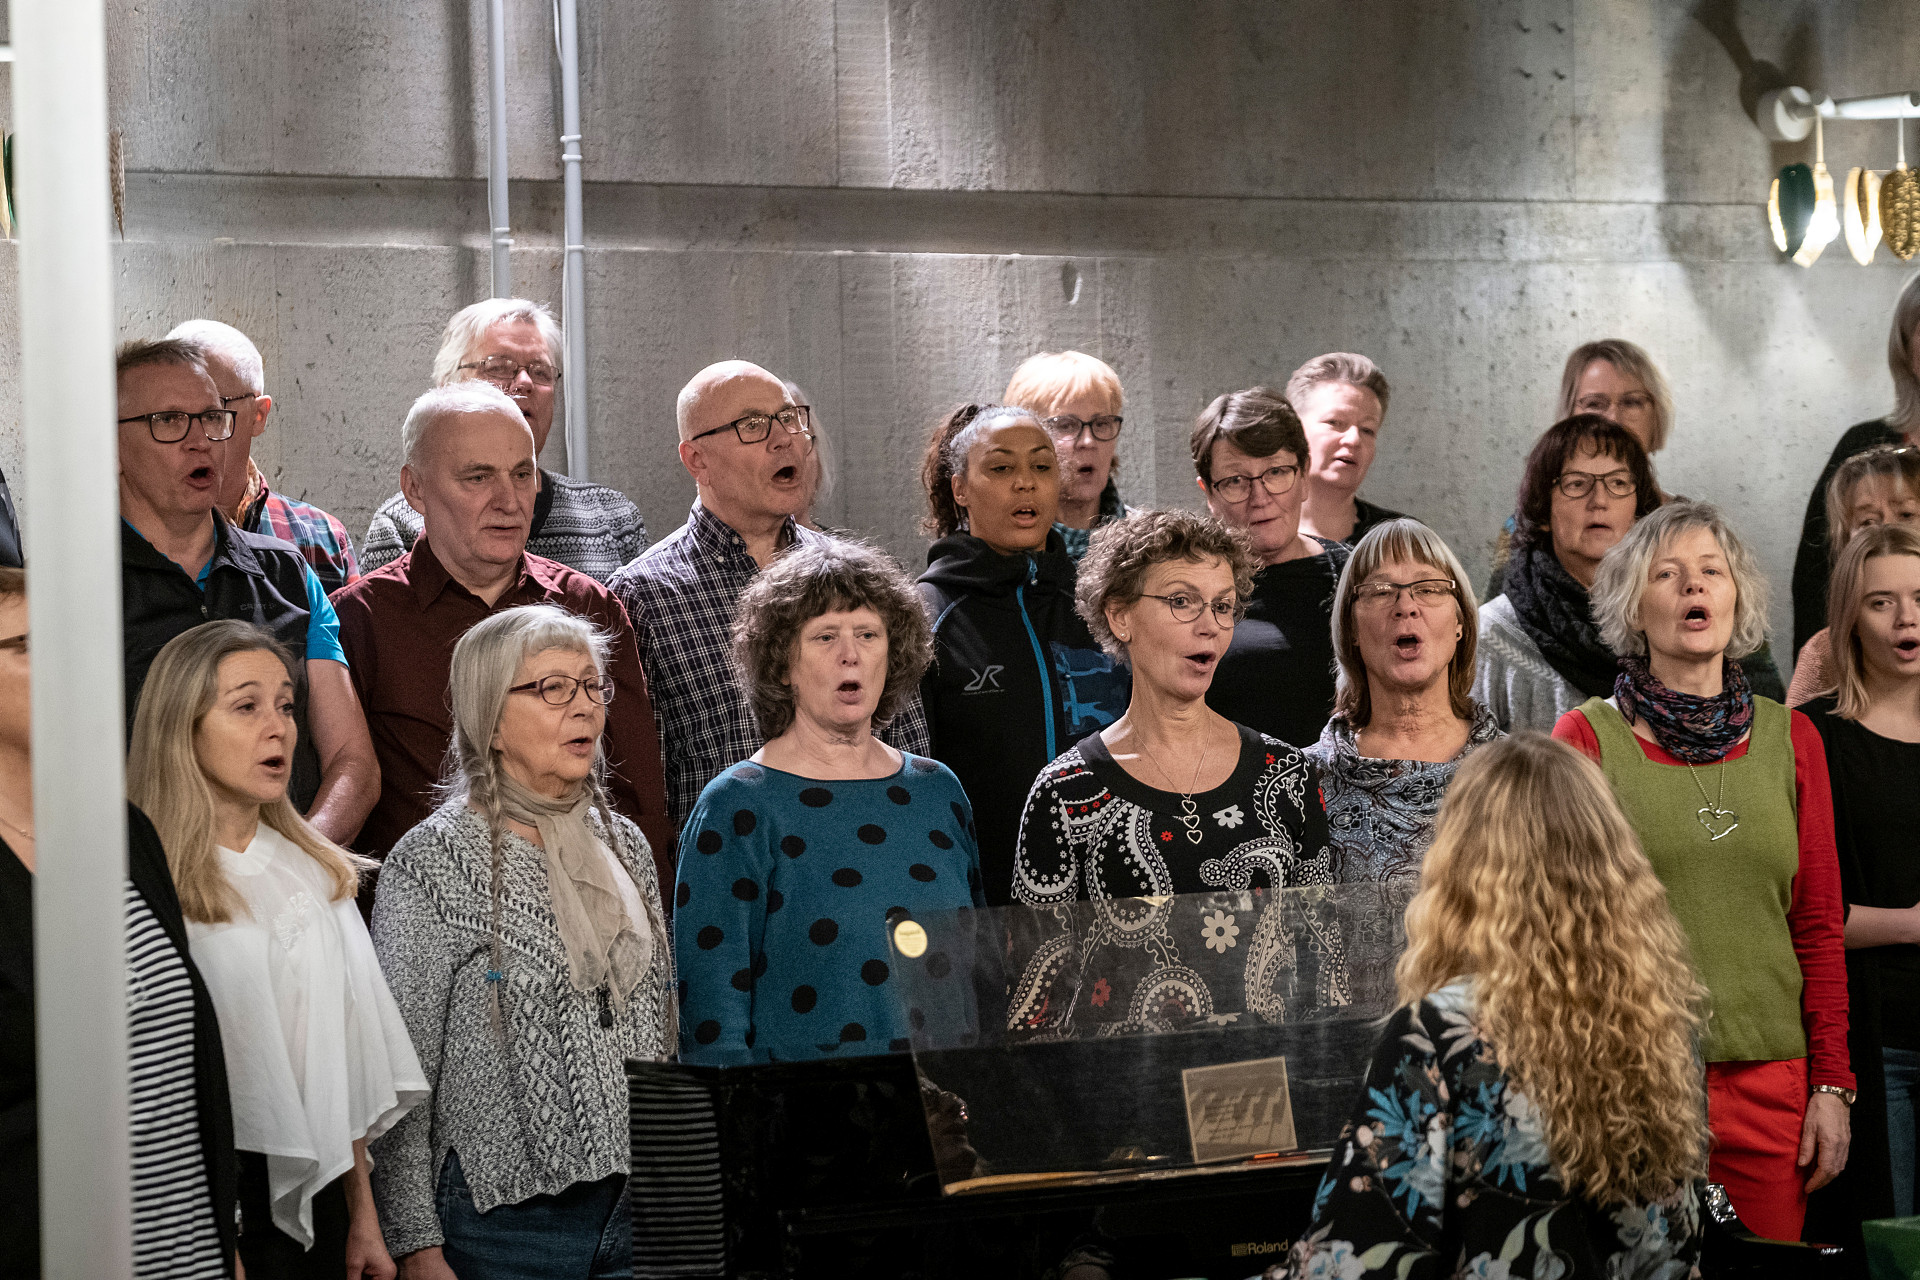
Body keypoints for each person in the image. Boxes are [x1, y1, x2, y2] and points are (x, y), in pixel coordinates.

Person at [1284, 734, 1708, 1279]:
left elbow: (1357, 1258)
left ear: (1462, 865)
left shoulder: (1438, 1030)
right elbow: (1678, 1242)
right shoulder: (1661, 1020)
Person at [1553, 501, 1851, 1242]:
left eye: (1711, 572)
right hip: (1633, 1082)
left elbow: (1818, 927)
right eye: (1669, 574)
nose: (1694, 586)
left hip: (1772, 1082)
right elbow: (1565, 938)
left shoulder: (1794, 739)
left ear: (1735, 597)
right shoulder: (1584, 738)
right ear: (1634, 606)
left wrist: (1831, 1084)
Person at [370, 605, 674, 1280]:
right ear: (491, 720)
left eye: (592, 685)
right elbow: (399, 1068)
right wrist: (414, 1240)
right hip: (504, 1227)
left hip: (642, 1209)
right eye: (552, 688)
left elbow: (661, 1030)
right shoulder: (432, 862)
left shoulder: (623, 843)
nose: (585, 707)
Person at [128, 621, 426, 1279]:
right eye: (246, 706)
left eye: (287, 706)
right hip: (203, 1194)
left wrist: (365, 1216)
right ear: (181, 726)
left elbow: (345, 1050)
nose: (279, 728)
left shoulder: (314, 868)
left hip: (323, 1195)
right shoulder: (143, 880)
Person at [331, 383, 673, 884]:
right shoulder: (358, 621)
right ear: (415, 489)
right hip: (425, 909)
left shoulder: (587, 606)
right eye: (478, 477)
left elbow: (636, 792)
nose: (509, 501)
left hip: (576, 903)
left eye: (522, 474)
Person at [0, 568, 241, 1278]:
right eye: (27, 645)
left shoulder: (123, 832)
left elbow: (189, 1067)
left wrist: (224, 1240)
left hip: (185, 1251)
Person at [675, 540, 983, 1065]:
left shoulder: (938, 790)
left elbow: (976, 974)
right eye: (825, 636)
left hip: (944, 1102)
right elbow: (713, 1022)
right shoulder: (737, 807)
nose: (851, 654)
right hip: (808, 1109)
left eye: (868, 634)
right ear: (782, 664)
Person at [610, 360, 928, 833]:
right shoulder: (643, 595)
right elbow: (637, 795)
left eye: (789, 417)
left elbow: (906, 745)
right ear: (696, 460)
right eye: (753, 425)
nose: (784, 439)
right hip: (731, 867)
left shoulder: (853, 575)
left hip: (869, 852)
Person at [117, 338, 380, 844]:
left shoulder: (287, 573)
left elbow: (353, 764)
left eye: (212, 418)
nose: (200, 441)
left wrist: (296, 864)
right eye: (168, 420)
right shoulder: (73, 590)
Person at [1013, 508, 1332, 922]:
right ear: (1120, 616)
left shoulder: (1288, 774)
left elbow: (1319, 945)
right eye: (1181, 601)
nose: (1210, 625)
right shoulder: (1065, 791)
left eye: (1223, 606)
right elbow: (1040, 957)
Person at [915, 404, 1128, 906]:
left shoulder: (1100, 605)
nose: (1025, 483)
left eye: (1041, 466)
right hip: (986, 903)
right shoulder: (925, 616)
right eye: (1001, 467)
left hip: (1116, 891)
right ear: (960, 489)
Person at [1797, 524, 1920, 1248]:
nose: (1907, 618)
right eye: (1882, 602)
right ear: (1848, 617)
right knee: (1893, 1251)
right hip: (1877, 1047)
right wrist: (1909, 924)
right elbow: (1798, 912)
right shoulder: (1813, 736)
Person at [361, 299, 646, 584]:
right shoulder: (401, 524)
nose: (525, 382)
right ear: (448, 388)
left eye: (540, 371)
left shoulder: (614, 517)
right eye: (499, 367)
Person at [1305, 519, 1501, 885]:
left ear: (1460, 622)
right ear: (1352, 629)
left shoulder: (1517, 775)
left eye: (1427, 588)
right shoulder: (1300, 783)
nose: (1406, 606)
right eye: (1380, 591)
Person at [1472, 415, 1661, 733]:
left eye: (1618, 483)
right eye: (1577, 484)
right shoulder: (1490, 635)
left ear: (1638, 511)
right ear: (1543, 511)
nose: (1599, 501)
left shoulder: (1667, 621)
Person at [1191, 387, 1350, 747]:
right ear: (1208, 493)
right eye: (1235, 481)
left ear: (1304, 476)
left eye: (1276, 472)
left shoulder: (1356, 575)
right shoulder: (1186, 589)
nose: (1260, 498)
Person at [166, 319, 362, 592]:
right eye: (170, 417)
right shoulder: (125, 539)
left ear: (258, 415)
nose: (192, 437)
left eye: (213, 413)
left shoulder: (321, 539)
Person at [1483, 337, 1677, 598]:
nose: (1614, 418)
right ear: (1569, 414)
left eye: (1631, 402)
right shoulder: (1522, 528)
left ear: (1656, 415)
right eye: (1595, 403)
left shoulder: (1689, 525)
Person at [1793, 272, 1920, 662]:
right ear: (1906, 347)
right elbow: (1816, 579)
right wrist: (1826, 671)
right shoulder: (1862, 446)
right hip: (1864, 670)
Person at [1787, 443, 1920, 705]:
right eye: (1867, 521)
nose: (1887, 530)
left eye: (1906, 514)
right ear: (1845, 539)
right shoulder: (1823, 654)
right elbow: (1795, 728)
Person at [1003, 350, 1131, 560]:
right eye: (1065, 425)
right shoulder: (998, 551)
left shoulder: (1151, 545)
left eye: (1101, 423)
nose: (1088, 442)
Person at [1291, 352, 1408, 544]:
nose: (1354, 440)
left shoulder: (1400, 541)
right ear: (1294, 429)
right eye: (1334, 422)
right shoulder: (1250, 539)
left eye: (1367, 430)